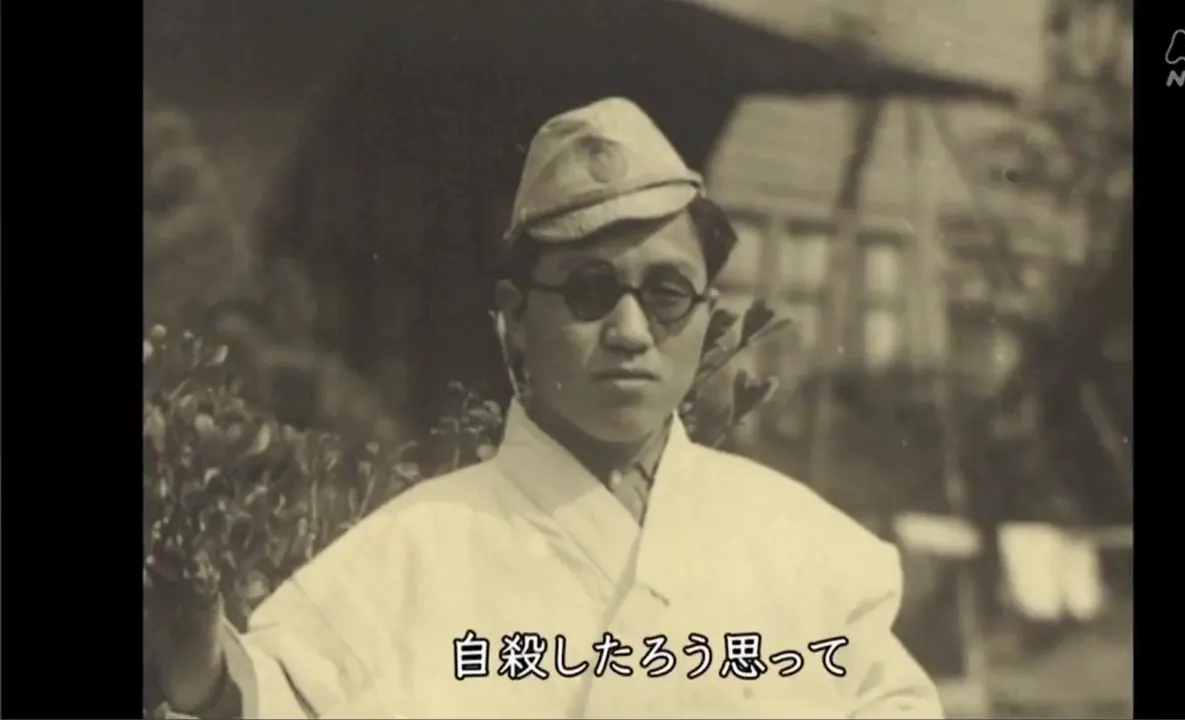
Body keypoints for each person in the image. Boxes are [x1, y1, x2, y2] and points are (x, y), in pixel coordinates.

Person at [147, 97, 942, 719]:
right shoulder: (408, 554)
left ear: (706, 317)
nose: (630, 331)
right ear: (515, 318)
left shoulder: (802, 548)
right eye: (590, 291)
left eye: (666, 293)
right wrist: (201, 668)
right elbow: (269, 697)